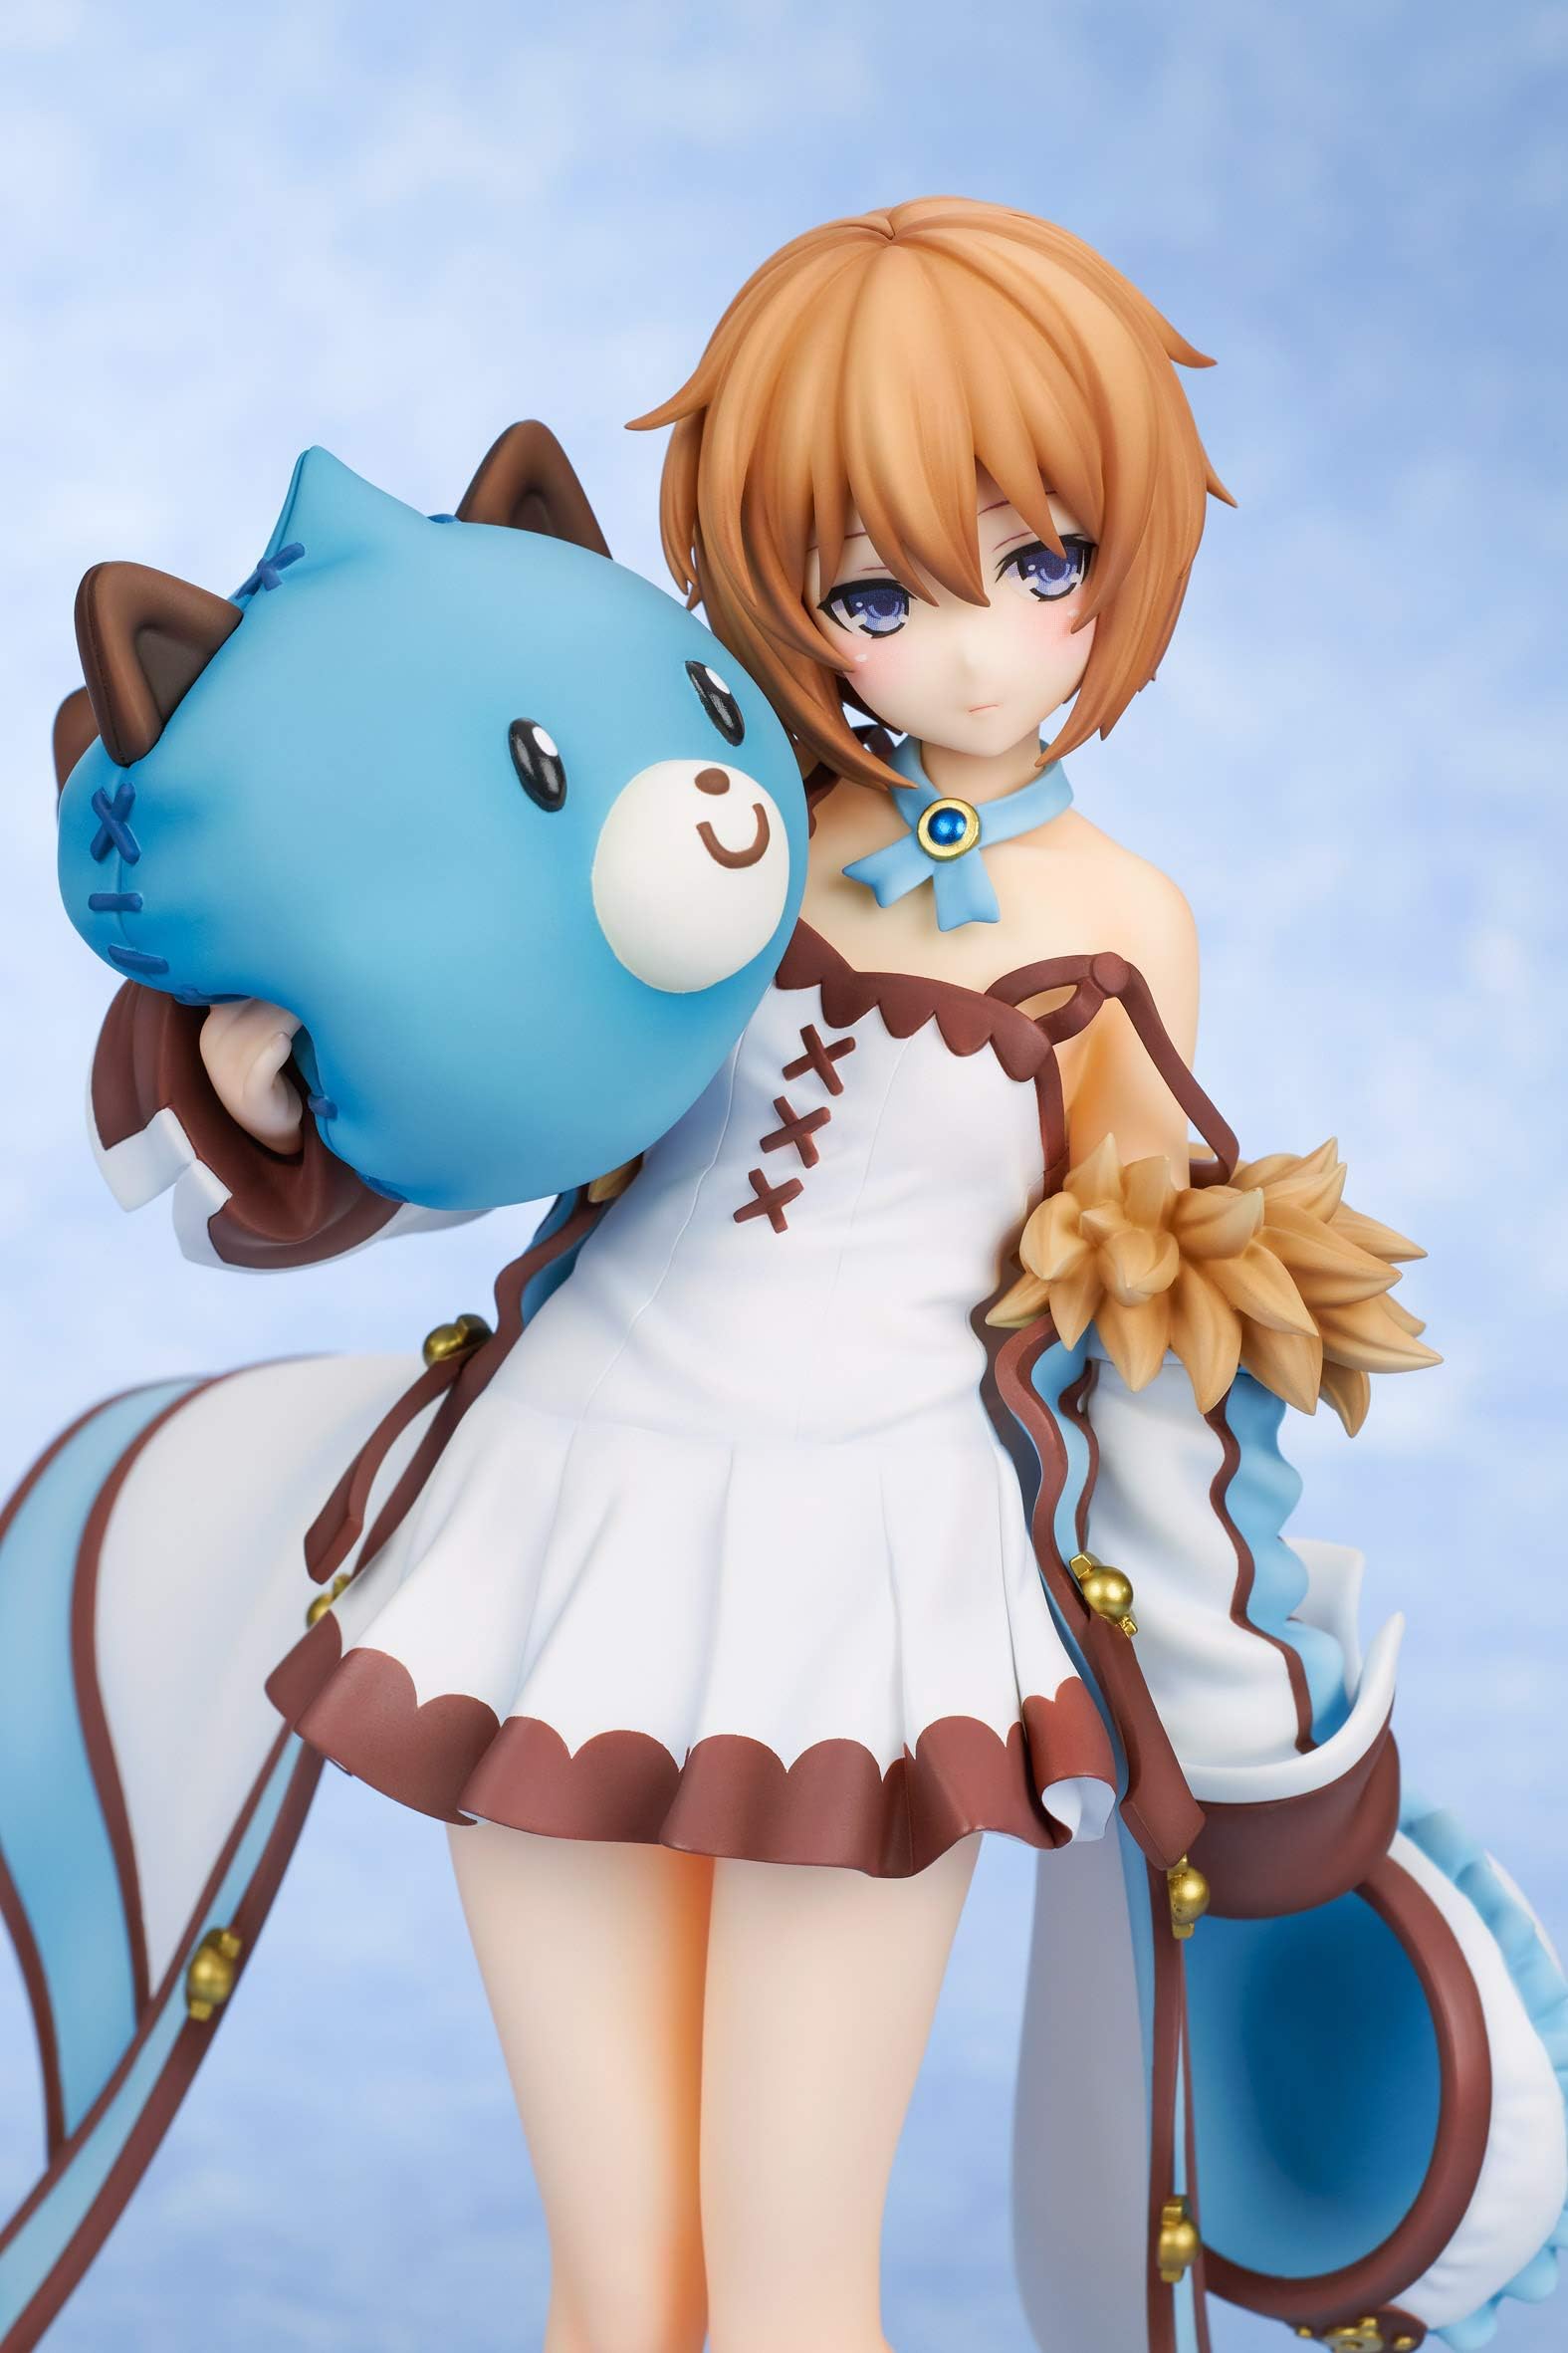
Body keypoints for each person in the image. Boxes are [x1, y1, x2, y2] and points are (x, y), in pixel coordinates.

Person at [46, 201, 1567, 2353]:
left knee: (787, 2288)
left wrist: (1235, 1695)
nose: (979, 650)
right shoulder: (704, 791)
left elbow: (1145, 1322)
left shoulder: (1114, 924)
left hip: (869, 1593)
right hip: (559, 1533)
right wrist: (269, 1074)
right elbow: (484, 1075)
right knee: (618, 2277)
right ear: (778, 587)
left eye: (1044, 562)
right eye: (877, 589)